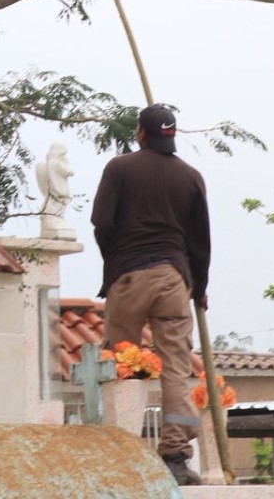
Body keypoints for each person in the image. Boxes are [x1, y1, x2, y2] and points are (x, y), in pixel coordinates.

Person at [91, 102, 211, 487]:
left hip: (128, 275)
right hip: (174, 278)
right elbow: (200, 242)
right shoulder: (191, 177)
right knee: (176, 365)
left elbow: (102, 223)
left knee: (122, 361)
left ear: (141, 133)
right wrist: (200, 288)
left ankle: (121, 450)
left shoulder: (119, 168)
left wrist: (116, 263)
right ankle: (175, 455)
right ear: (171, 135)